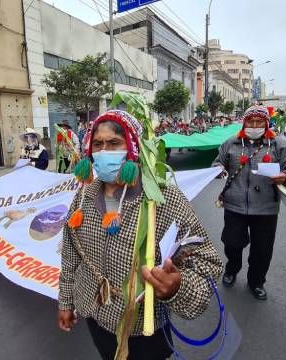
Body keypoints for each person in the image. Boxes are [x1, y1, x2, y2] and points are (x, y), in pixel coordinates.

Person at [58, 110, 223, 360]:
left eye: (114, 143)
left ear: (133, 149)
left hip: (144, 331)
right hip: (94, 314)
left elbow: (207, 264)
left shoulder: (162, 200)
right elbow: (70, 255)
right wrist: (66, 302)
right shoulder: (84, 197)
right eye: (98, 144)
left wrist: (176, 287)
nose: (104, 152)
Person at [212, 106, 286, 300]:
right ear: (244, 123)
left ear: (266, 123)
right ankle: (232, 268)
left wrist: (285, 176)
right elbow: (216, 163)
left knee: (262, 250)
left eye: (259, 122)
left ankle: (256, 281)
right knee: (232, 244)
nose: (254, 126)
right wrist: (218, 169)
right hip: (234, 205)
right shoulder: (231, 143)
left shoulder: (279, 145)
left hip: (266, 209)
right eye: (250, 122)